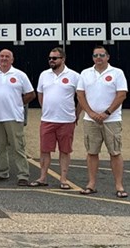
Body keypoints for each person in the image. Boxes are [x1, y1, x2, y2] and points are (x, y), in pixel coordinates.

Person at [76, 45, 129, 198]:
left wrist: (107, 113)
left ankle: (119, 186)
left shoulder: (117, 73)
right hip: (90, 120)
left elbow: (121, 95)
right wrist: (91, 113)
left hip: (112, 120)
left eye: (101, 55)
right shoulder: (85, 73)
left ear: (108, 57)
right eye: (95, 55)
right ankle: (91, 184)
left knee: (115, 152)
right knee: (92, 152)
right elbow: (80, 95)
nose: (98, 58)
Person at [0, 49, 35, 186]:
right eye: (2, 56)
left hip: (14, 116)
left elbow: (31, 94)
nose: (4, 58)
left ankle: (23, 175)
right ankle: (2, 172)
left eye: (7, 56)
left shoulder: (20, 75)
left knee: (18, 147)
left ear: (12, 60)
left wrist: (19, 103)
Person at [32, 46, 80, 189]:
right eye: (50, 58)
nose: (51, 61)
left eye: (54, 58)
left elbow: (82, 96)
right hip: (47, 120)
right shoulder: (44, 75)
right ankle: (42, 177)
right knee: (45, 150)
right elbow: (40, 94)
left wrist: (76, 114)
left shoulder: (74, 76)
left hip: (66, 120)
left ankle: (63, 179)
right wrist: (46, 108)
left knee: (65, 150)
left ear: (63, 59)